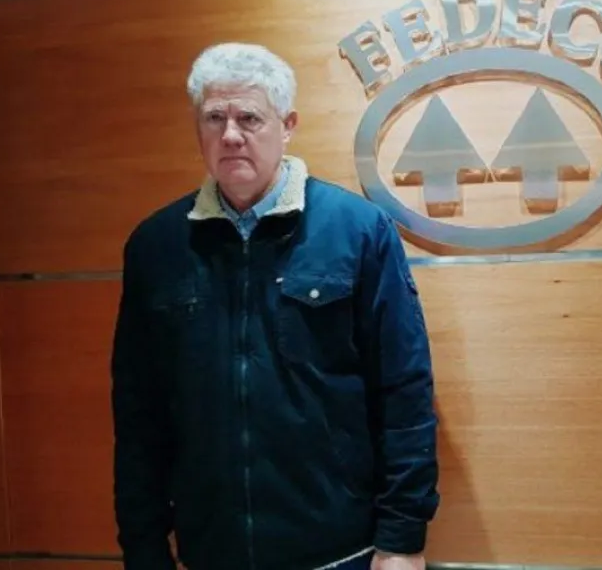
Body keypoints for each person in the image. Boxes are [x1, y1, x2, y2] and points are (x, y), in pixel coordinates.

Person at [110, 43, 439, 570]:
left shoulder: (358, 231)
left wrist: (402, 539)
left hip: (340, 551)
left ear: (287, 126)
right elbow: (137, 412)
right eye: (214, 118)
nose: (230, 135)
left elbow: (404, 390)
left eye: (249, 117)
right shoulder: (156, 246)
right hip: (209, 552)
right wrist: (143, 548)